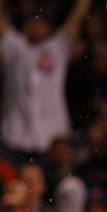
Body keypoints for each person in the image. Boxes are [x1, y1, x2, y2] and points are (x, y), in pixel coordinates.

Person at [0, 0, 91, 164]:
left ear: (50, 28)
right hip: (13, 136)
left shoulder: (57, 47)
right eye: (32, 22)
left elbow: (77, 16)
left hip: (51, 138)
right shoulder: (15, 47)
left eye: (41, 23)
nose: (36, 26)